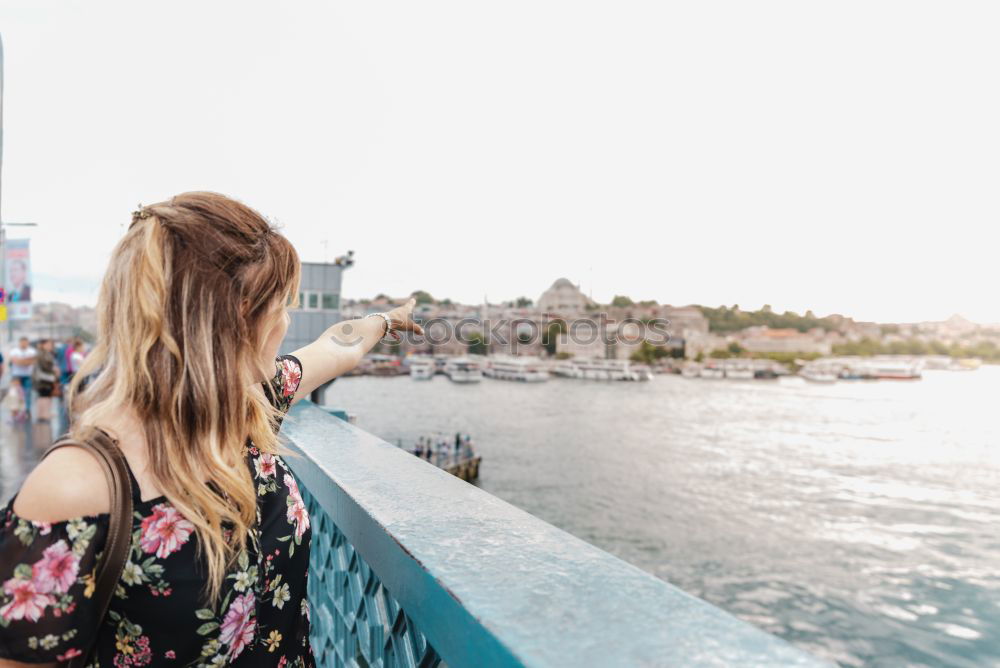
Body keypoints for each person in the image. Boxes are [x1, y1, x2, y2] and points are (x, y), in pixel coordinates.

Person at [0, 192, 423, 666]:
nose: (286, 322)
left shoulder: (251, 402)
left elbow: (336, 348)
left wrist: (387, 320)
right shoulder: (75, 486)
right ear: (235, 318)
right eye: (280, 305)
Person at [31, 339, 59, 423]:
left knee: (45, 395)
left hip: (45, 378)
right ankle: (43, 414)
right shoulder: (42, 354)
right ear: (43, 345)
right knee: (44, 395)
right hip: (43, 378)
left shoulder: (45, 353)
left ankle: (45, 413)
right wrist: (54, 370)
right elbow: (45, 366)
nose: (50, 346)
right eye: (49, 344)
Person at [7, 337, 36, 416]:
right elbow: (15, 361)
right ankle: (16, 409)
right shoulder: (14, 351)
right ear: (19, 343)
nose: (24, 344)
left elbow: (31, 361)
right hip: (16, 375)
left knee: (27, 392)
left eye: (25, 342)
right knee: (15, 393)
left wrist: (21, 361)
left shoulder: (32, 351)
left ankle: (27, 409)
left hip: (28, 375)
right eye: (22, 342)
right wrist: (25, 361)